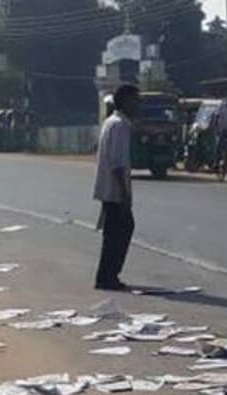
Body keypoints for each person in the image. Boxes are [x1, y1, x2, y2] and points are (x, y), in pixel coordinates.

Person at [92, 84, 140, 291]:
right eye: (135, 101)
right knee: (121, 230)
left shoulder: (111, 122)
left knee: (113, 233)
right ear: (126, 101)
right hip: (115, 191)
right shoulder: (120, 126)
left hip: (108, 190)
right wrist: (124, 194)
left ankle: (107, 275)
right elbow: (118, 163)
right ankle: (108, 276)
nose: (137, 106)